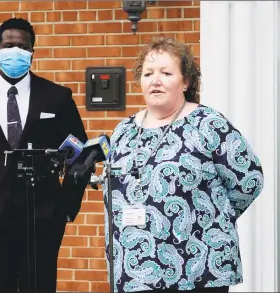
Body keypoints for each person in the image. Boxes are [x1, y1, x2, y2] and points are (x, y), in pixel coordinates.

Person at [103, 36, 264, 293]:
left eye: (166, 73)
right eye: (148, 73)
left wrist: (209, 217)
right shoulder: (124, 129)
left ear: (186, 81)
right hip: (134, 270)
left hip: (197, 269)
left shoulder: (208, 123)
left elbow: (248, 180)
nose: (155, 80)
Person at [0, 18, 88, 293]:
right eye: (9, 45)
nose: (16, 51)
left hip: (43, 216)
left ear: (32, 52)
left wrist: (67, 207)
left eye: (23, 47)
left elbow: (80, 153)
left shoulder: (57, 97)